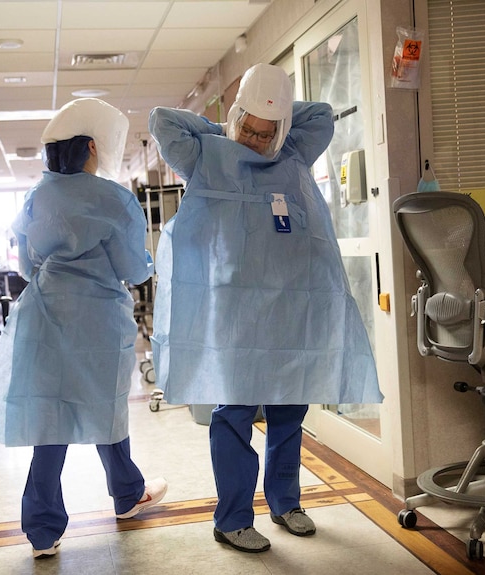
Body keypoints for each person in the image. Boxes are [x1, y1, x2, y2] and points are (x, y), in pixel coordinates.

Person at [148, 63, 381, 553]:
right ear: (235, 119)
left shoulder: (293, 150)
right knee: (233, 412)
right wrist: (228, 126)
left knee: (289, 409)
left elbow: (321, 114)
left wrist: (275, 109)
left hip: (290, 309)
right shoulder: (206, 153)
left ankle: (286, 503)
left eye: (264, 132)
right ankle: (232, 517)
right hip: (235, 315)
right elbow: (162, 120)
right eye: (248, 128)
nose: (255, 139)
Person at [0, 98, 167, 559]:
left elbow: (26, 263)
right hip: (96, 319)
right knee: (108, 408)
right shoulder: (113, 198)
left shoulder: (37, 195)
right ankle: (128, 496)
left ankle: (43, 530)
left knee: (49, 417)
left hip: (45, 313)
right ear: (92, 147)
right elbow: (134, 268)